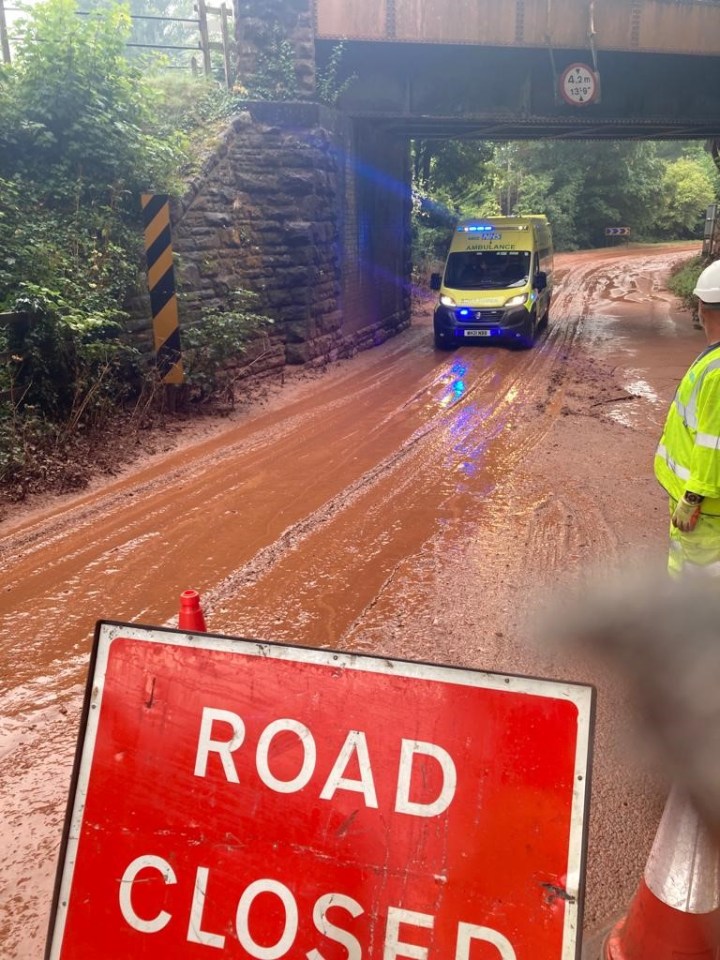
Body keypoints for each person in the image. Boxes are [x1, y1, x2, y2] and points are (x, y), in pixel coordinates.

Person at [654, 259, 720, 578]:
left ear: (702, 308)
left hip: (707, 513)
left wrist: (692, 499)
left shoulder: (718, 372)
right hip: (705, 509)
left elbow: (714, 446)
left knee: (698, 594)